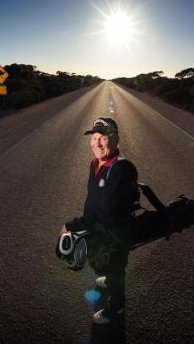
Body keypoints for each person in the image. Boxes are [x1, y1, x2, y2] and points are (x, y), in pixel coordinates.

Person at [60, 117, 139, 325]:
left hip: (115, 233)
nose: (97, 143)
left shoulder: (122, 169)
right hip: (99, 229)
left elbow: (107, 213)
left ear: (116, 140)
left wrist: (74, 226)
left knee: (115, 267)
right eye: (94, 137)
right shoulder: (95, 164)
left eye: (103, 137)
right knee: (101, 263)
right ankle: (108, 278)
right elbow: (94, 201)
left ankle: (116, 307)